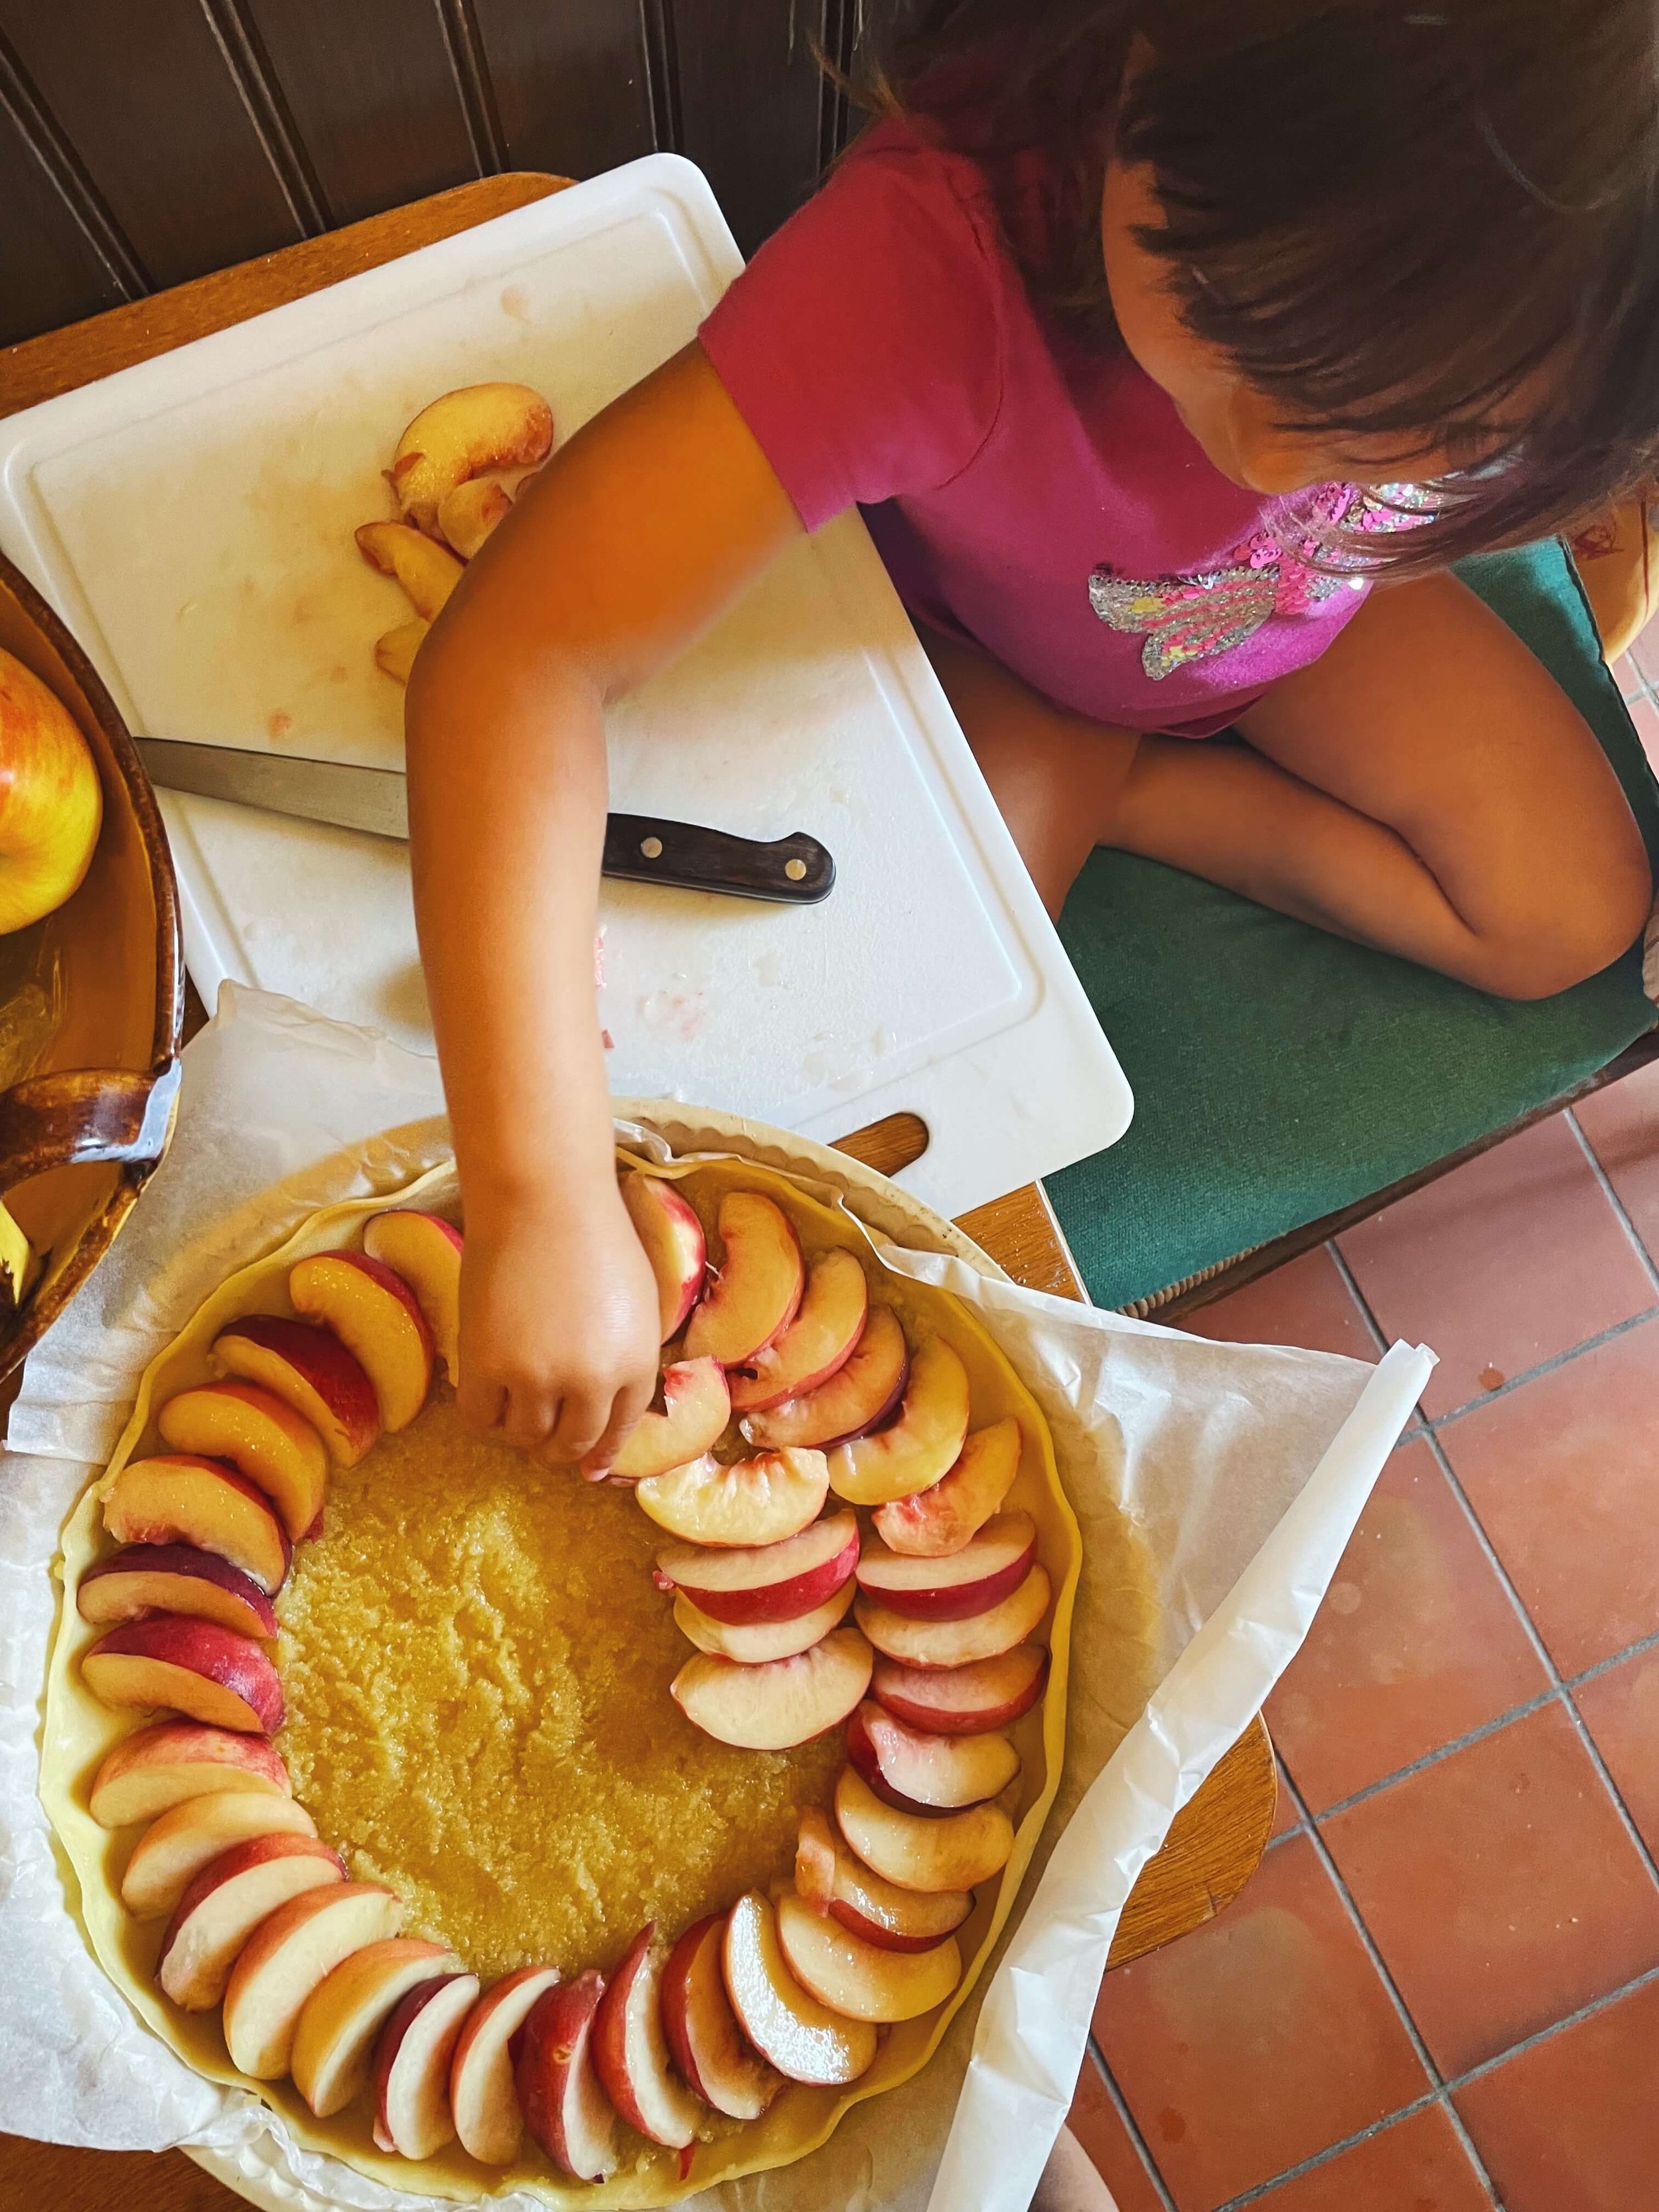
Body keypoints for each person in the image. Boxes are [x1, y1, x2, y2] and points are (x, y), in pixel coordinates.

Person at [407, 6, 1659, 1483]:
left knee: (1568, 915)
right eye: (1230, 317)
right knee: (861, 1108)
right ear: (1144, 54)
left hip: (1279, 629)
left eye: (1424, 436)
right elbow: (523, 650)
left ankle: (1133, 784)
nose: (1264, 457)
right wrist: (537, 1185)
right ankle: (1100, 764)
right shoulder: (921, 276)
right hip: (1004, 652)